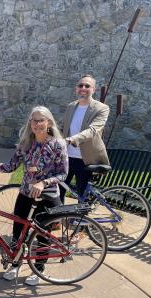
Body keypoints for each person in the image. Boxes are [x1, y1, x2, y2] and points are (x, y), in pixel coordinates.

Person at [0, 106, 68, 286]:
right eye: (33, 120)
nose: (37, 124)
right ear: (30, 123)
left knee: (43, 235)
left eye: (41, 120)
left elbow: (63, 174)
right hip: (26, 194)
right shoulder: (26, 144)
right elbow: (11, 165)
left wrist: (43, 183)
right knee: (17, 232)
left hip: (47, 196)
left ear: (48, 122)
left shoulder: (58, 145)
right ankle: (15, 264)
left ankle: (39, 270)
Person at [59, 74, 110, 203]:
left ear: (93, 89)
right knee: (58, 191)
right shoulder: (71, 106)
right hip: (66, 157)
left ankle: (82, 223)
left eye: (87, 86)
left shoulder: (101, 108)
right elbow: (62, 128)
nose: (83, 88)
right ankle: (56, 221)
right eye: (80, 85)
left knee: (82, 196)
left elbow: (92, 130)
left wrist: (71, 140)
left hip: (86, 159)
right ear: (76, 89)